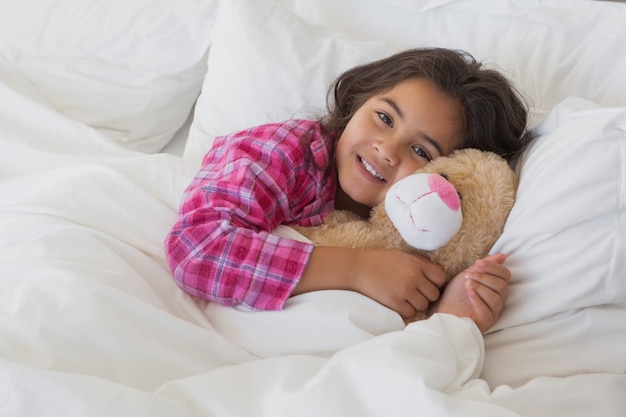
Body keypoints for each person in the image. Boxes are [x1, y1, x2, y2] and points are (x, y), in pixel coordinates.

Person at [165, 48, 531, 333]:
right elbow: (198, 248)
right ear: (357, 102)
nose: (386, 151)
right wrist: (355, 268)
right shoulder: (284, 152)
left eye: (421, 152)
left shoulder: (424, 229)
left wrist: (446, 313)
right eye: (384, 118)